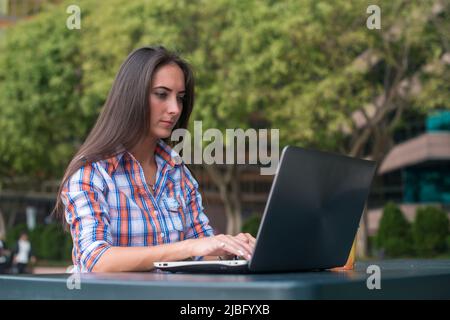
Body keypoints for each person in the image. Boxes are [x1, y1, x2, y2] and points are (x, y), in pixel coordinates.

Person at [53, 46, 255, 273]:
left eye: (180, 98)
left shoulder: (177, 172)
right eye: (161, 94)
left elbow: (201, 248)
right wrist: (187, 247)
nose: (175, 108)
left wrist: (231, 247)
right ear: (131, 96)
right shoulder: (91, 173)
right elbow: (96, 259)